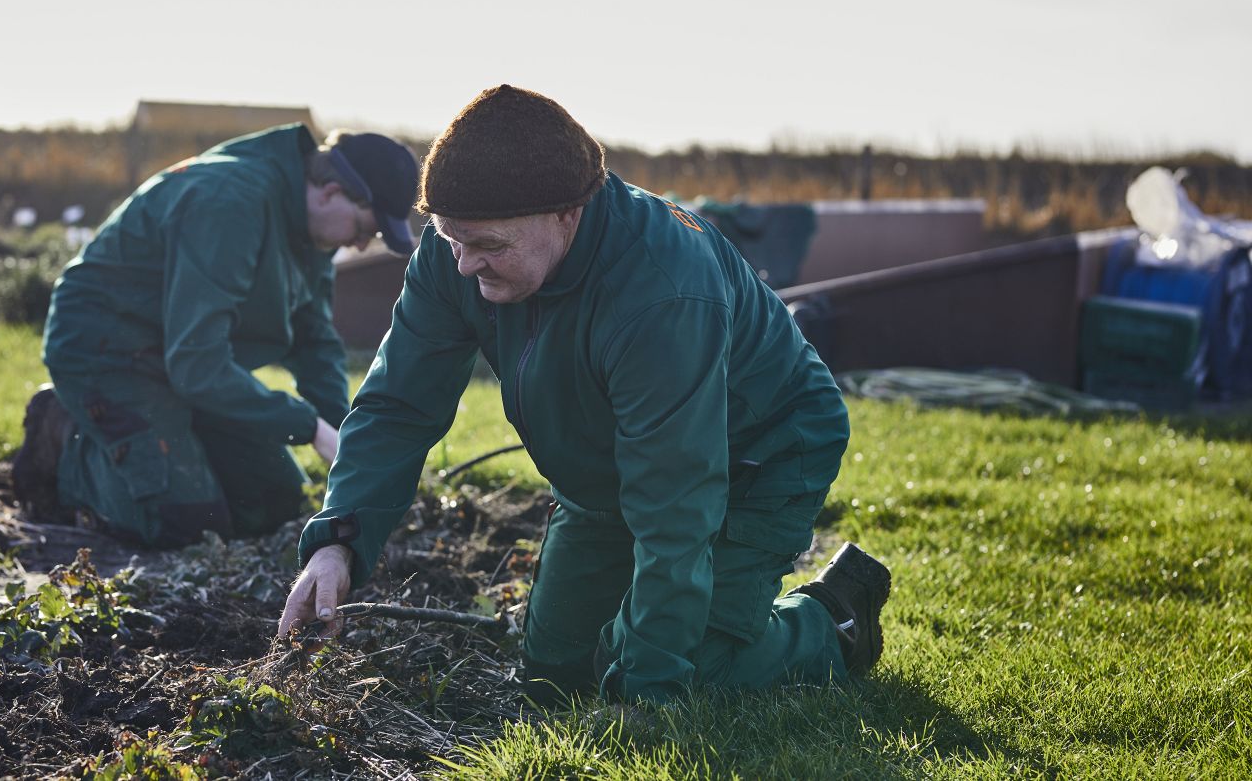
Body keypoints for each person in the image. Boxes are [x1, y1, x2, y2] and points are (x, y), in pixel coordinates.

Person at [276, 86, 891, 705]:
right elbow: (396, 405)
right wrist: (338, 542)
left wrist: (648, 689)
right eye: (451, 238)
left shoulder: (661, 289)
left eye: (489, 246)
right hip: (608, 470)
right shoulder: (453, 251)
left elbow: (677, 500)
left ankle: (831, 623)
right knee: (556, 674)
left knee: (684, 666)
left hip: (759, 453)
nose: (464, 265)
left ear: (567, 214)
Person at [12, 123, 420, 548]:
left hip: (183, 360)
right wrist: (309, 427)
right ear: (331, 190)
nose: (358, 246)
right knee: (187, 526)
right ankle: (62, 438)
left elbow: (313, 340)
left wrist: (344, 435)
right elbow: (197, 365)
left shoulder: (310, 232)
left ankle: (174, 450)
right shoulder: (232, 203)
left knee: (276, 502)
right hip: (109, 351)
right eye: (363, 229)